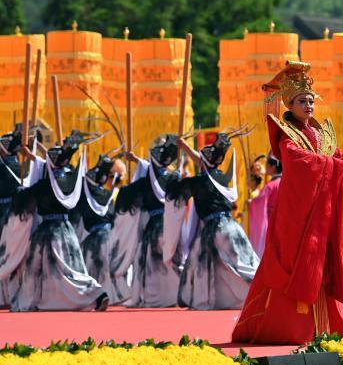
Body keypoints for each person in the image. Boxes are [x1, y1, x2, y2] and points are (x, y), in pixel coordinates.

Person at [232, 61, 343, 344]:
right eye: (302, 101)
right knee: (295, 260)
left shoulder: (321, 133)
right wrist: (332, 164)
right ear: (290, 106)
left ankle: (324, 325)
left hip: (322, 211)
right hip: (297, 212)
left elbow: (341, 158)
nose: (308, 106)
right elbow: (297, 162)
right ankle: (290, 327)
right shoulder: (286, 135)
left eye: (311, 101)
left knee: (323, 260)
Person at [11, 131, 108, 311]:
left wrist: (20, 190)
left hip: (46, 234)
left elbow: (22, 202)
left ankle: (38, 301)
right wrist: (34, 150)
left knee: (37, 270)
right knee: (71, 269)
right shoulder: (70, 181)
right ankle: (93, 293)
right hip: (67, 231)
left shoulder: (43, 186)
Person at [164, 130, 259, 310]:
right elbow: (204, 165)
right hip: (233, 227)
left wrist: (175, 176)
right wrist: (184, 147)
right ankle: (260, 292)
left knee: (200, 264)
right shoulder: (222, 178)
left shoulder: (197, 182)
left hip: (212, 229)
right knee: (244, 264)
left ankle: (204, 299)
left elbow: (174, 192)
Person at [111, 134, 181, 307]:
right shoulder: (173, 179)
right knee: (165, 261)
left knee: (153, 261)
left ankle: (157, 296)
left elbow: (127, 194)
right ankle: (172, 295)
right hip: (169, 227)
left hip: (155, 227)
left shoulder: (146, 183)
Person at [75, 154, 121, 304]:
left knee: (95, 268)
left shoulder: (84, 196)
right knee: (104, 268)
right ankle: (106, 295)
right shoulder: (109, 195)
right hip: (109, 236)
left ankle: (100, 295)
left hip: (95, 237)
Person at [0, 125, 26, 306]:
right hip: (8, 212)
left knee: (10, 254)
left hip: (11, 213)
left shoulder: (13, 164)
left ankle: (12, 295)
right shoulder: (13, 163)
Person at [247, 151, 282, 258]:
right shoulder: (285, 182)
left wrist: (250, 203)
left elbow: (259, 203)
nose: (265, 167)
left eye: (267, 164)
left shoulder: (270, 186)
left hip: (271, 223)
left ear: (273, 167)